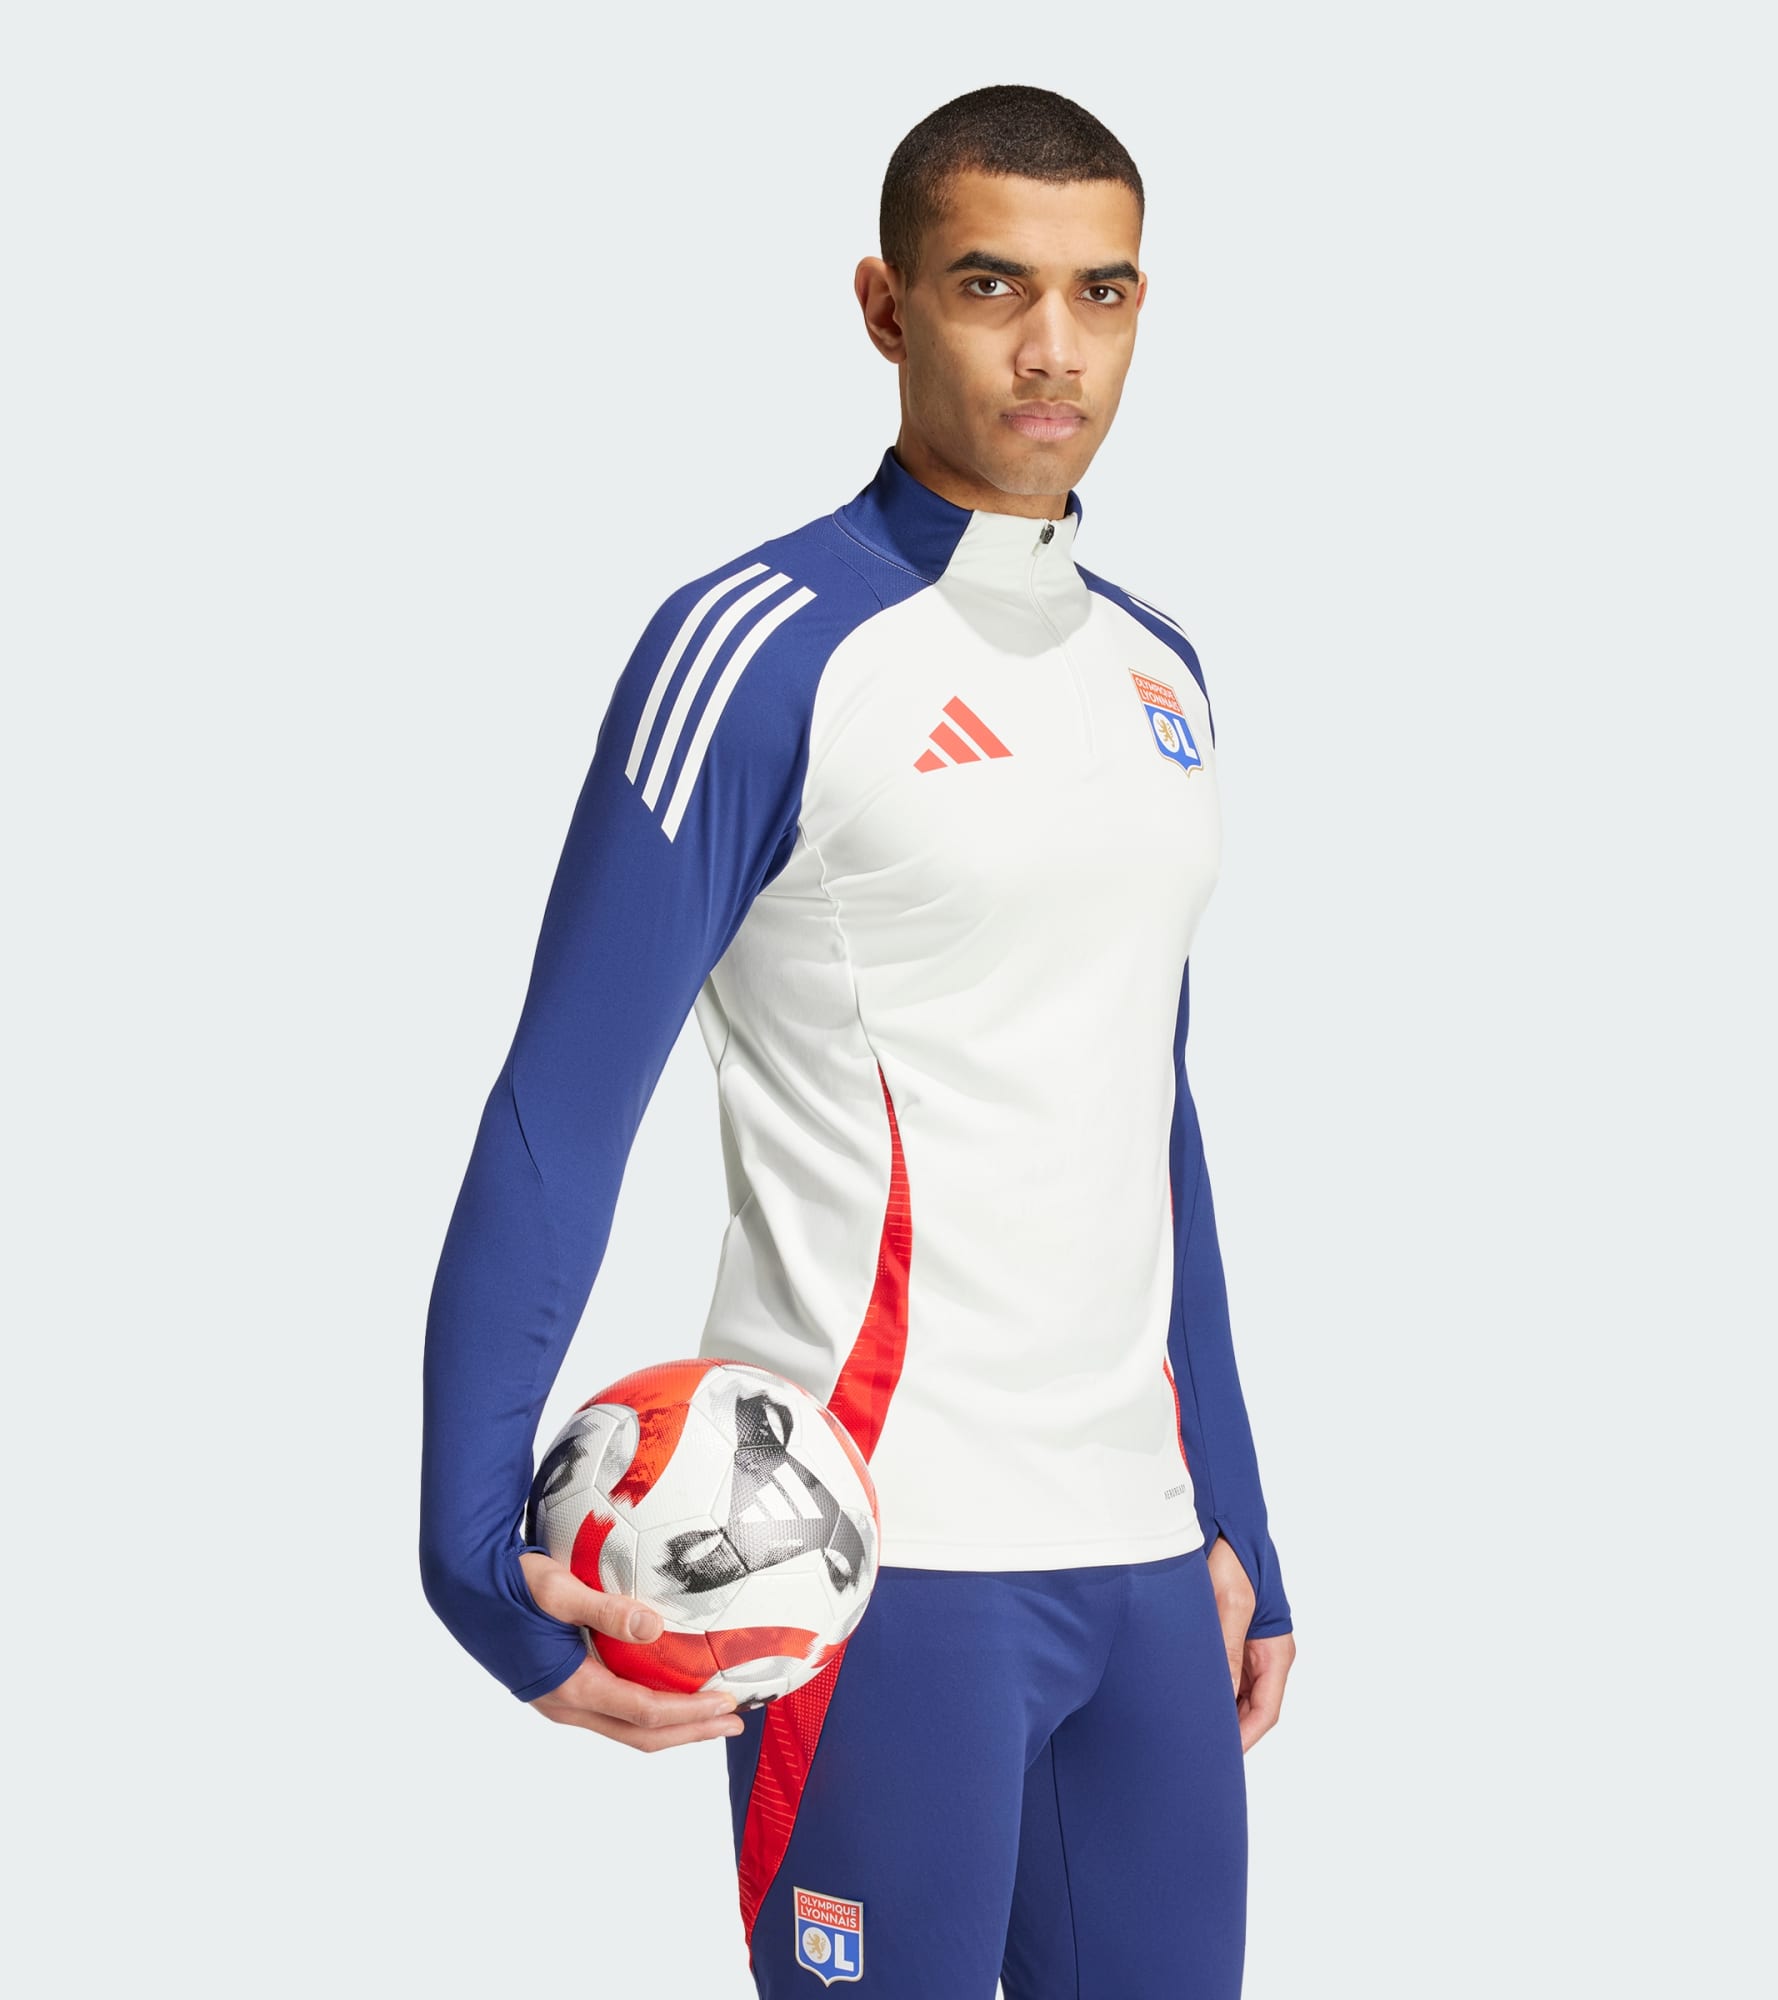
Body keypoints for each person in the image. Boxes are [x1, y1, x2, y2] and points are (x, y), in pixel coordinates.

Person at [419, 83, 1296, 1998]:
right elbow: (560, 1111)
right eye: (993, 287)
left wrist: (1235, 1507)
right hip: (866, 1570)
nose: (1053, 348)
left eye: (1101, 292)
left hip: (1147, 1570)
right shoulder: (758, 649)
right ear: (887, 307)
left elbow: (1149, 1117)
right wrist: (469, 1555)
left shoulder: (1161, 669)